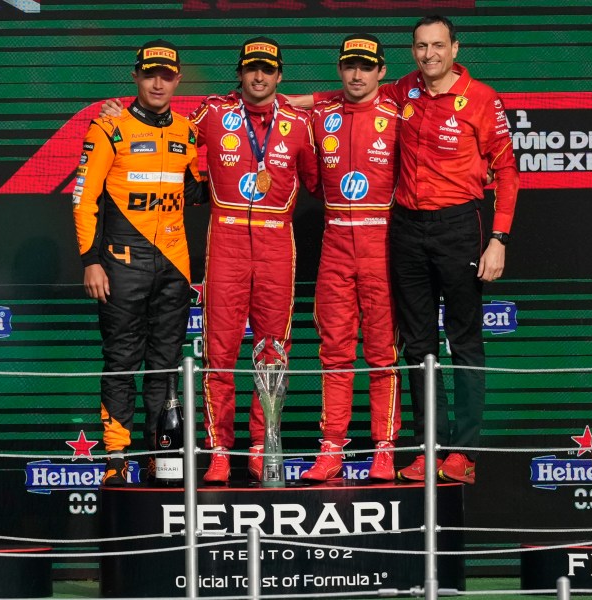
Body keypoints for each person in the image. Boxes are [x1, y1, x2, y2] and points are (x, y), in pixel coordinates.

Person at [383, 15, 519, 484]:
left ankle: (464, 453)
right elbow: (348, 99)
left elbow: (507, 173)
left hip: (460, 226)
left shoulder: (482, 99)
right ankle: (429, 449)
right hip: (405, 227)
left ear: (455, 49)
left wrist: (498, 239)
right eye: (421, 46)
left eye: (438, 46)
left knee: (464, 343)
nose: (429, 55)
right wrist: (285, 101)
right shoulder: (403, 90)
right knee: (417, 345)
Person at [73, 39, 207, 486]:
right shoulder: (109, 126)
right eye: (149, 74)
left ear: (177, 80)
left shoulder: (188, 131)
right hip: (120, 264)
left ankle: (160, 454)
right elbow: (83, 199)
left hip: (176, 267)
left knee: (166, 362)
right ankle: (116, 455)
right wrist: (91, 261)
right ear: (136, 76)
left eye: (166, 75)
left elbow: (198, 191)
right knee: (121, 360)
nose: (157, 82)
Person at [190, 37, 318, 484]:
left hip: (276, 246)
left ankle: (265, 447)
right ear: (239, 74)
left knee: (273, 354)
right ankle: (220, 451)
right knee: (219, 355)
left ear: (280, 75)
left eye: (267, 70)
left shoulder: (300, 123)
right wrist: (117, 111)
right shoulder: (213, 113)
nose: (258, 77)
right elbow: (162, 129)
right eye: (250, 70)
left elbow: (319, 180)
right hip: (224, 243)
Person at [300, 34, 401, 483]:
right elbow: (264, 104)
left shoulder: (399, 113)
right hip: (336, 241)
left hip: (383, 242)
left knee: (383, 353)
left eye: (366, 66)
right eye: (349, 66)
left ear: (381, 70)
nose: (357, 75)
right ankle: (331, 450)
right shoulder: (319, 115)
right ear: (340, 69)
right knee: (335, 352)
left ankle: (385, 449)